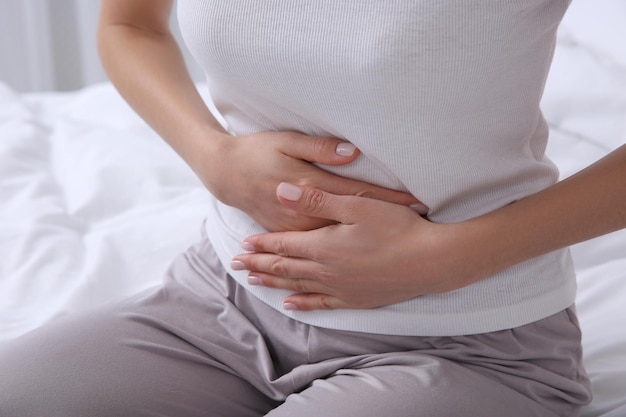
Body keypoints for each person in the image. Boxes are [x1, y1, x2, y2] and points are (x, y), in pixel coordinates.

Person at [3, 0, 625, 415]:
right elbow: (129, 25)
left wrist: (447, 258)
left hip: (470, 341)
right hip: (224, 296)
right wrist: (213, 157)